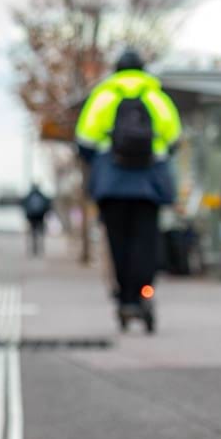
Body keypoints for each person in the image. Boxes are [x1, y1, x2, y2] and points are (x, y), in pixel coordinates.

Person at [74, 47, 181, 331]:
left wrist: (102, 162)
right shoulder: (155, 96)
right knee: (145, 242)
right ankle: (145, 291)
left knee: (118, 243)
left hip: (112, 183)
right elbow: (173, 139)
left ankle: (125, 298)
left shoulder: (104, 95)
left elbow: (84, 141)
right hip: (149, 184)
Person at [21, 183, 53, 256]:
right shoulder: (41, 195)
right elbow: (48, 203)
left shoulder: (29, 195)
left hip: (32, 216)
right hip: (40, 216)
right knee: (40, 232)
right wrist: (46, 212)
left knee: (33, 233)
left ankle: (34, 248)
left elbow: (23, 203)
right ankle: (40, 247)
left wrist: (27, 214)